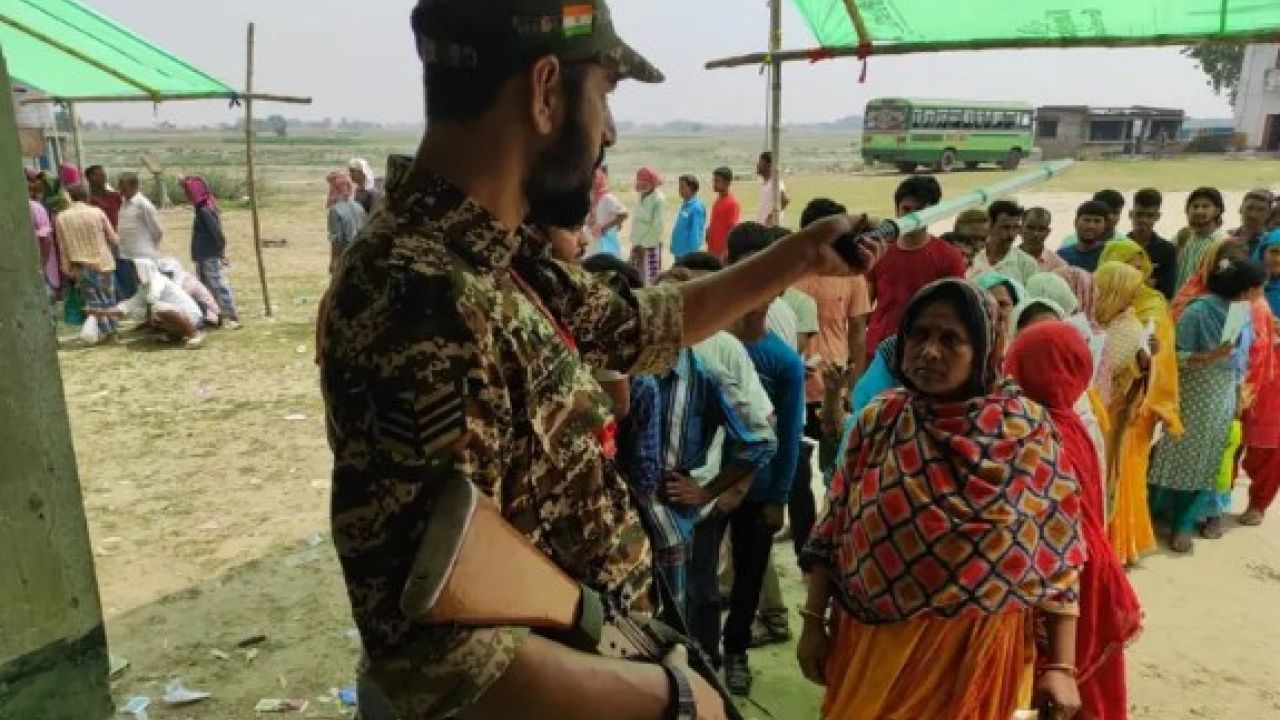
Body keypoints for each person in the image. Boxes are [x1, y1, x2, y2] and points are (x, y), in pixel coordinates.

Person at [318, 2, 885, 717]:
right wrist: (674, 699)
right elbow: (430, 652)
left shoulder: (501, 257)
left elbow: (641, 325)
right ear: (546, 89)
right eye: (606, 97)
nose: (609, 132)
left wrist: (802, 253)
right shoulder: (417, 296)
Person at [798, 278, 1085, 720]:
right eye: (920, 335)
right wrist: (813, 623)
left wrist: (1061, 667)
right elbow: (832, 528)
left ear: (984, 350)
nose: (930, 351)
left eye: (951, 339)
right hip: (873, 643)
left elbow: (1058, 556)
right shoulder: (882, 419)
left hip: (974, 650)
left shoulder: (1024, 433)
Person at [1005, 322, 1143, 720]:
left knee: (1044, 683)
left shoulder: (1026, 431)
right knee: (1084, 689)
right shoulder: (1078, 423)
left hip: (1054, 578)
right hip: (1091, 569)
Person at [1149, 257, 1266, 553]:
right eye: (1257, 289)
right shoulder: (1198, 312)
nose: (1259, 295)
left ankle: (1185, 521)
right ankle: (1163, 518)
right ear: (1245, 289)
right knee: (1178, 455)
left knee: (1209, 456)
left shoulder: (1242, 312)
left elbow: (1240, 357)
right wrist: (1208, 357)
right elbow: (1172, 357)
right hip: (1193, 394)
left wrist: (1239, 389)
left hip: (1223, 394)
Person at [864, 176, 965, 361]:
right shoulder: (879, 250)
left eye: (920, 210)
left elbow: (955, 310)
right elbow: (864, 303)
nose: (912, 217)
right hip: (877, 350)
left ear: (934, 212)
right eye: (906, 209)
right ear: (897, 210)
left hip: (922, 353)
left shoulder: (949, 256)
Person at [1241, 233, 1280, 525]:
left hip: (1274, 377)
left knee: (1266, 444)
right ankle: (1215, 499)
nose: (1276, 258)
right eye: (1272, 251)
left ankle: (1259, 502)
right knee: (1227, 437)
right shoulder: (1246, 283)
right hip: (1242, 366)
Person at [89, 258, 205, 348]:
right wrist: (100, 312)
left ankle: (194, 334)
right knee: (148, 311)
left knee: (157, 308)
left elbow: (153, 298)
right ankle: (176, 336)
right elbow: (127, 306)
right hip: (181, 315)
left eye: (134, 270)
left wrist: (148, 317)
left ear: (142, 270)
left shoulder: (158, 280)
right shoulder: (144, 288)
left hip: (193, 317)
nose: (132, 274)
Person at [56, 183, 119, 342]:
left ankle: (107, 332)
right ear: (87, 196)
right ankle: (114, 331)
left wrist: (66, 269)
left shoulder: (61, 217)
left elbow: (62, 246)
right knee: (109, 298)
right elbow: (112, 238)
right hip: (104, 262)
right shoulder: (97, 212)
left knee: (94, 301)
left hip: (81, 266)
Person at [182, 175, 241, 330]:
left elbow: (216, 233)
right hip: (202, 255)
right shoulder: (201, 209)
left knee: (218, 285)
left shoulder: (205, 210)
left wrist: (221, 250)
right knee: (205, 288)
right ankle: (214, 316)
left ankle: (231, 316)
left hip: (209, 254)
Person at [969, 200, 1038, 285]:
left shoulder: (1027, 264)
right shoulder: (971, 257)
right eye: (1005, 227)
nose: (1011, 234)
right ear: (990, 225)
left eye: (1015, 227)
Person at [1127, 188, 1178, 300]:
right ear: (1131, 214)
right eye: (1139, 214)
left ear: (1157, 217)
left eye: (1149, 216)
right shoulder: (1117, 245)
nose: (1144, 220)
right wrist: (1149, 282)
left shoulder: (1167, 250)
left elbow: (1168, 290)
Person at [1176, 187, 1228, 290]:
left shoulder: (1224, 243)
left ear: (1217, 211)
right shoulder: (1182, 237)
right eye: (1195, 206)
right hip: (1177, 302)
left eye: (1205, 207)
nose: (1199, 211)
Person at [156, 257, 221, 326]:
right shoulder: (179, 280)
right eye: (164, 274)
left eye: (169, 273)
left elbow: (180, 300)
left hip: (210, 313)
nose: (166, 276)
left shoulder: (187, 281)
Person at [117, 171, 164, 264]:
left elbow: (157, 231)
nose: (121, 191)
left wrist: (148, 245)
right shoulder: (123, 203)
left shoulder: (144, 205)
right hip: (126, 255)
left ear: (135, 186)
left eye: (124, 188)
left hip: (143, 257)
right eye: (120, 188)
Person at [630, 166, 666, 285]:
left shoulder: (658, 200)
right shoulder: (642, 196)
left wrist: (644, 245)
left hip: (649, 246)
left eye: (645, 182)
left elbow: (657, 226)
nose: (641, 185)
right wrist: (637, 244)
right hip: (637, 244)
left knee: (650, 278)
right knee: (636, 276)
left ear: (652, 183)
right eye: (640, 182)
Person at [326, 170, 369, 272]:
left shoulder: (335, 210)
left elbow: (337, 239)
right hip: (360, 253)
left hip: (346, 255)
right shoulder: (358, 206)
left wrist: (334, 261)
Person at [28, 172, 60, 300]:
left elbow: (45, 235)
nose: (37, 184)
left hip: (47, 246)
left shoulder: (40, 205)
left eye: (41, 182)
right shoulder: (37, 203)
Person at [1058, 201, 1112, 272]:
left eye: (1097, 221)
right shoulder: (1061, 256)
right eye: (1086, 220)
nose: (1091, 226)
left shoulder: (1111, 255)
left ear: (1105, 225)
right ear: (1076, 222)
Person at [587, 167, 627, 258]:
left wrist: (604, 228)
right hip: (593, 238)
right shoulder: (592, 195)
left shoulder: (607, 197)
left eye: (594, 178)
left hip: (605, 239)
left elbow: (623, 214)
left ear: (600, 180)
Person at [706, 166, 740, 259]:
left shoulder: (732, 203)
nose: (714, 184)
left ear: (727, 183)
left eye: (717, 181)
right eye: (714, 181)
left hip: (721, 252)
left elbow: (731, 229)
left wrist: (726, 251)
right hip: (712, 248)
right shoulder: (718, 200)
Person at [1230, 188, 1276, 256]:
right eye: (1249, 208)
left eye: (1261, 210)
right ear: (1240, 209)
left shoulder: (1272, 243)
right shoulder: (1225, 237)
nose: (1253, 214)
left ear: (1269, 214)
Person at [1021, 207, 1069, 273]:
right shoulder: (1007, 258)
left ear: (1048, 232)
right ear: (1020, 229)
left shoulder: (1059, 265)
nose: (1036, 234)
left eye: (1041, 229)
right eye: (1030, 228)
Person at [670, 174, 707, 259]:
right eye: (679, 187)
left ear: (691, 188)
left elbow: (696, 232)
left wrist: (692, 254)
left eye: (682, 187)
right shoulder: (685, 204)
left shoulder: (696, 208)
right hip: (679, 250)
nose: (679, 190)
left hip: (687, 253)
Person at [756, 151, 789, 226]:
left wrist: (772, 216)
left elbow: (785, 200)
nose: (758, 165)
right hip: (762, 226)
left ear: (769, 165)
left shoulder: (775, 183)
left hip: (771, 228)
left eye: (761, 162)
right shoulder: (764, 183)